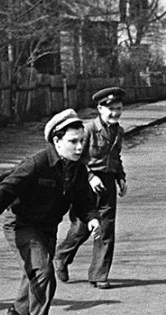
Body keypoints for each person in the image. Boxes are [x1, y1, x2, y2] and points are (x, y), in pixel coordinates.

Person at [0, 109, 99, 315]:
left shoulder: (77, 170)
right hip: (22, 224)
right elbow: (5, 189)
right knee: (44, 271)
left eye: (82, 141)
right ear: (57, 141)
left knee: (35, 270)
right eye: (73, 141)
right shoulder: (37, 163)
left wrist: (91, 218)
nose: (80, 147)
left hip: (48, 228)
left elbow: (84, 200)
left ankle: (20, 310)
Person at [55, 87, 128, 289]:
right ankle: (61, 256)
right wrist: (90, 177)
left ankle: (99, 274)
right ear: (100, 109)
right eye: (111, 109)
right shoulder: (87, 130)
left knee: (106, 229)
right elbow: (75, 157)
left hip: (108, 182)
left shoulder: (118, 131)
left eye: (119, 108)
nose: (115, 113)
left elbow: (115, 157)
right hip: (85, 182)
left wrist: (121, 177)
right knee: (81, 227)